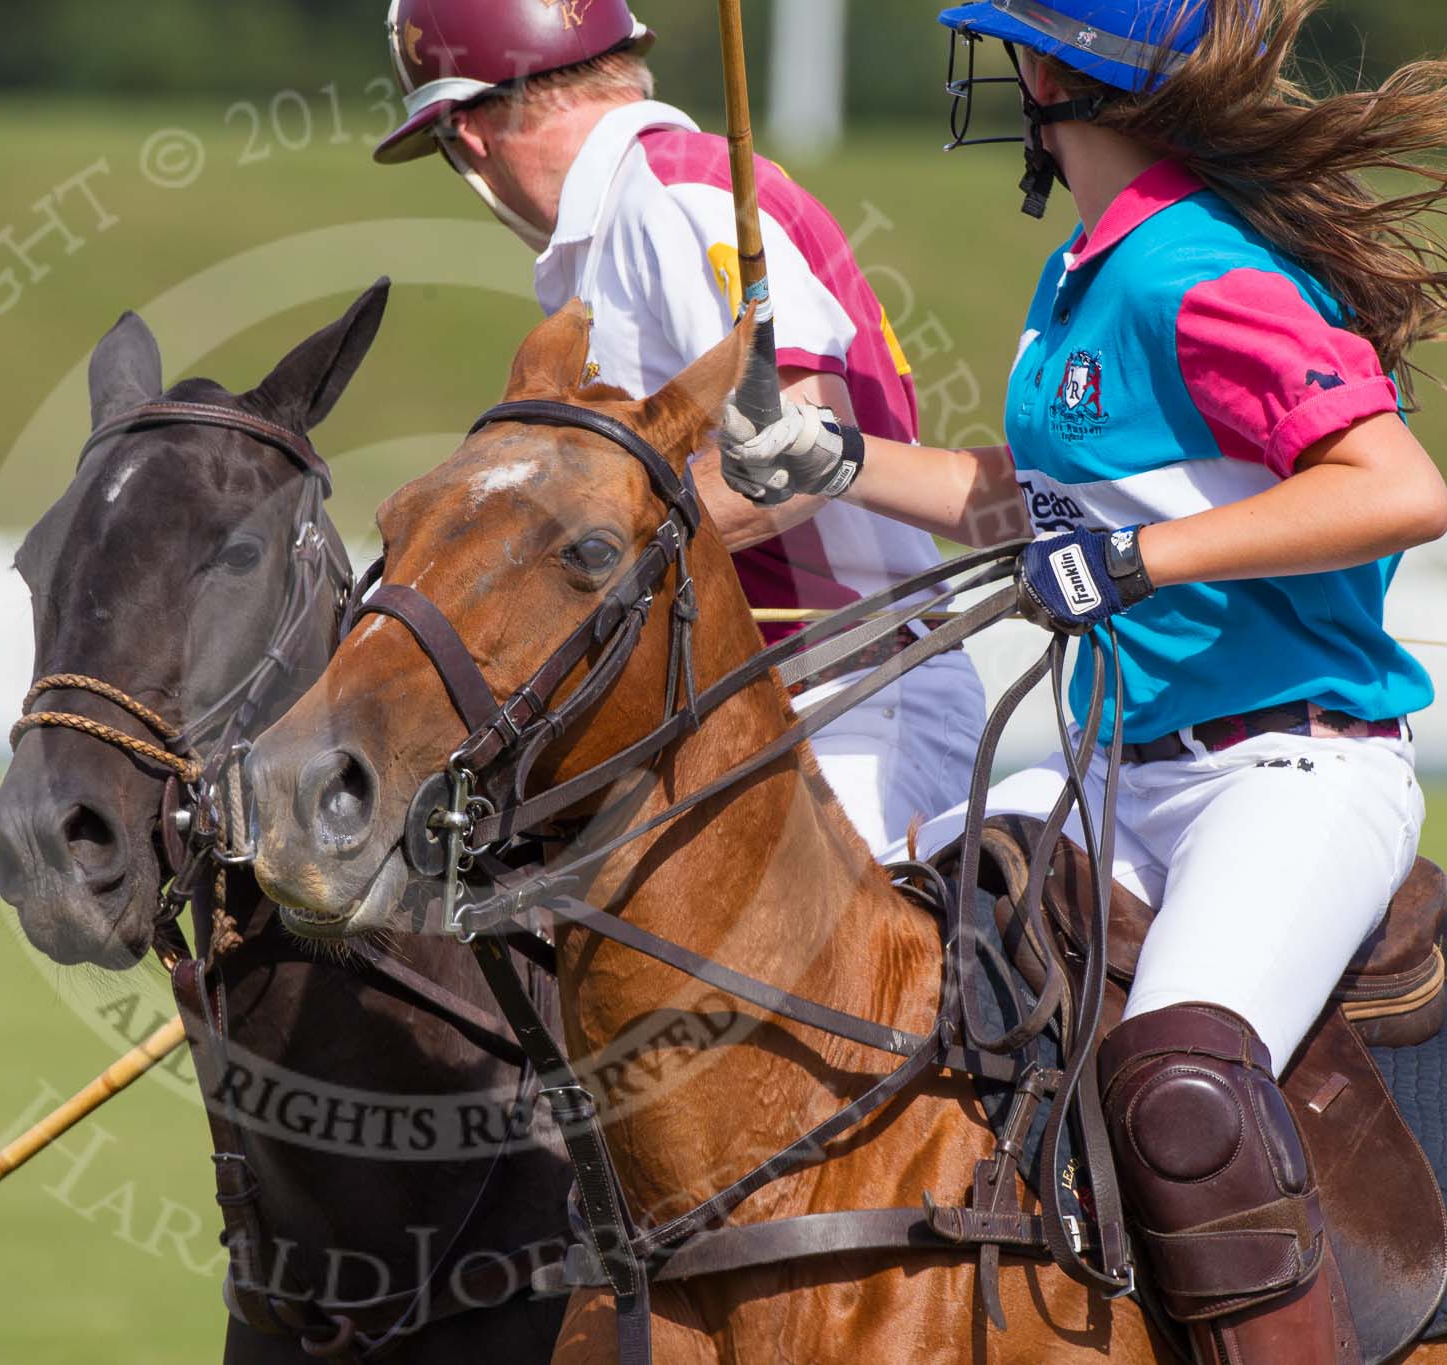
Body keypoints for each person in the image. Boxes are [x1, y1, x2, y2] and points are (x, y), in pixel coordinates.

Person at [723, 1, 1447, 1358]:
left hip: (1287, 776)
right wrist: (837, 462)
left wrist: (1137, 561)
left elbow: (1400, 487)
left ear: (1054, 72)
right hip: (1114, 771)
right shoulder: (1086, 273)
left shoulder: (1200, 270)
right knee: (852, 951)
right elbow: (1043, 504)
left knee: (1182, 1091)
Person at [372, 0, 988, 857]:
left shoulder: (674, 192)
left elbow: (805, 437)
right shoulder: (609, 228)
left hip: (850, 700)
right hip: (736, 703)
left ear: (469, 136)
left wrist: (566, 569)